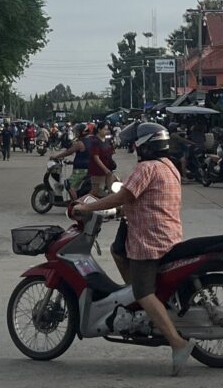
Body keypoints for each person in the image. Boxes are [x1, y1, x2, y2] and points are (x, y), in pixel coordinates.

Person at [74, 122, 195, 376]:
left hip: (150, 240)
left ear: (145, 146)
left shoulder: (145, 168)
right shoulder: (169, 166)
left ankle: (177, 343)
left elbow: (122, 196)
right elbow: (144, 199)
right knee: (118, 251)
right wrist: (121, 210)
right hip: (169, 234)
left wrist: (87, 207)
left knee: (142, 291)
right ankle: (148, 311)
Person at [52, 122, 92, 200]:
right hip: (90, 168)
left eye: (77, 132)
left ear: (81, 132)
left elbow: (69, 152)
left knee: (69, 184)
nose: (75, 133)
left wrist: (56, 156)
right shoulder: (91, 140)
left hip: (81, 170)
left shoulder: (80, 143)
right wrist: (72, 162)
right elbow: (85, 155)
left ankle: (75, 203)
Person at [88, 121, 114, 194]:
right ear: (99, 130)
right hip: (97, 170)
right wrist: (105, 169)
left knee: (111, 190)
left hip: (108, 169)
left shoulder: (107, 140)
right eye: (105, 129)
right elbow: (96, 157)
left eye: (107, 129)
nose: (107, 131)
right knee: (95, 191)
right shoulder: (95, 141)